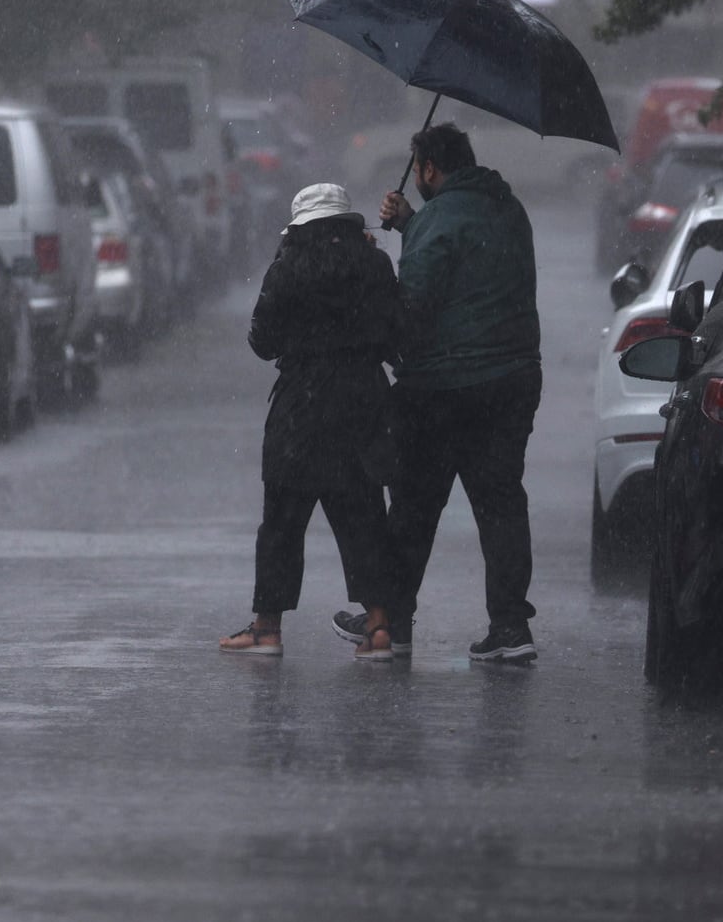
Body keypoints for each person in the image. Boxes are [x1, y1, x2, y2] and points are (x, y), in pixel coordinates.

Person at [334, 122, 542, 663]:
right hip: (512, 382)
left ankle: (394, 622)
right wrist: (413, 225)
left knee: (414, 507)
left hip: (443, 391)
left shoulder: (439, 219)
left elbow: (416, 308)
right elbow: (471, 264)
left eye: (420, 171)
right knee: (501, 506)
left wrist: (376, 272)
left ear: (427, 168)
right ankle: (511, 628)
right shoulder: (508, 208)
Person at [220, 183, 403, 661]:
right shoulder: (375, 264)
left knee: (282, 521)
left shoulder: (288, 268)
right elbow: (394, 335)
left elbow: (262, 342)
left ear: (300, 226)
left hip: (300, 408)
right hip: (362, 404)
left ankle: (267, 630)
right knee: (363, 515)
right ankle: (380, 627)